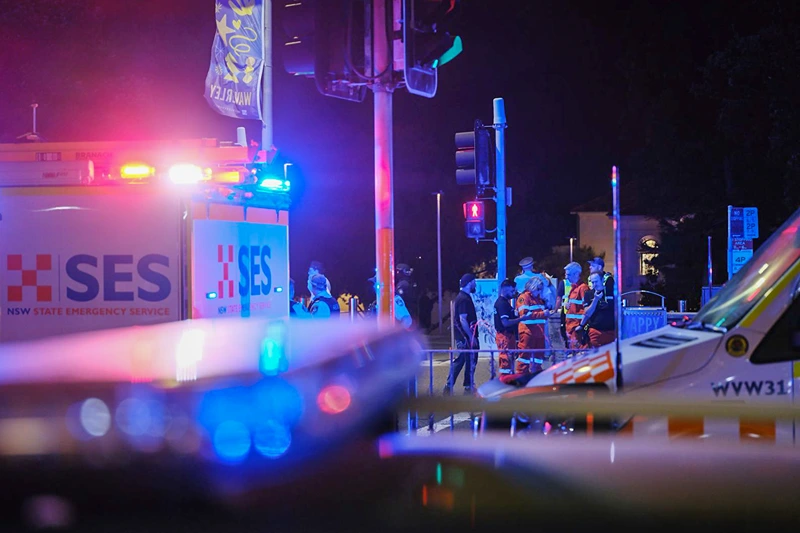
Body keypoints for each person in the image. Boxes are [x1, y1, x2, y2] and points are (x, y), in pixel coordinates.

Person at [444, 273, 479, 395]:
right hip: (465, 337)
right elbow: (463, 319)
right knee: (462, 360)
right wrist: (471, 337)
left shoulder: (463, 297)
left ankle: (467, 387)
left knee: (468, 360)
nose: (475, 284)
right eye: (474, 282)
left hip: (464, 336)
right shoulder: (463, 298)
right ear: (470, 283)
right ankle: (450, 387)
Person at [514, 276, 554, 374]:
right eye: (538, 289)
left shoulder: (538, 299)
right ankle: (521, 375)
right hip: (527, 332)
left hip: (538, 333)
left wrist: (547, 312)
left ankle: (536, 373)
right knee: (524, 356)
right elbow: (524, 314)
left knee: (538, 356)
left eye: (541, 289)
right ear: (532, 287)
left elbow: (540, 315)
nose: (540, 291)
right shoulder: (523, 298)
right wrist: (543, 314)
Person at [494, 279, 532, 378]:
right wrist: (521, 319)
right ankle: (505, 381)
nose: (513, 293)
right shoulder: (502, 304)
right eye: (512, 291)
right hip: (504, 336)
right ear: (505, 290)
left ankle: (508, 379)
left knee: (509, 359)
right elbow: (505, 323)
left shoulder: (505, 303)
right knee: (505, 360)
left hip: (507, 336)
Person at [579, 271, 616, 347]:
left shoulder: (611, 293)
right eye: (592, 282)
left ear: (602, 280)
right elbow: (587, 313)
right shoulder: (589, 294)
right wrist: (595, 299)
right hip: (595, 332)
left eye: (596, 281)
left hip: (611, 332)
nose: (594, 285)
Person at [563, 261, 589, 349]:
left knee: (578, 354)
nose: (566, 277)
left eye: (568, 274)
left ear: (576, 274)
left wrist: (581, 325)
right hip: (571, 327)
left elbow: (587, 309)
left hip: (577, 328)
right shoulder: (574, 288)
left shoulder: (583, 288)